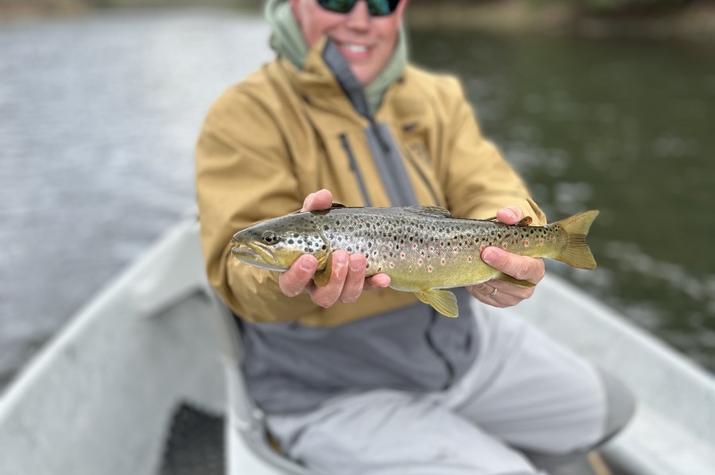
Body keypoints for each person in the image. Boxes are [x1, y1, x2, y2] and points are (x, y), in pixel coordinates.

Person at [195, 0, 635, 474]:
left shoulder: (434, 96)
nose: (361, 19)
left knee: (611, 409)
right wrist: (291, 283)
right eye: (338, 1)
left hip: (464, 347)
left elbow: (486, 181)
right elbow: (235, 265)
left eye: (380, 4)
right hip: (333, 390)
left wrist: (510, 241)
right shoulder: (243, 116)